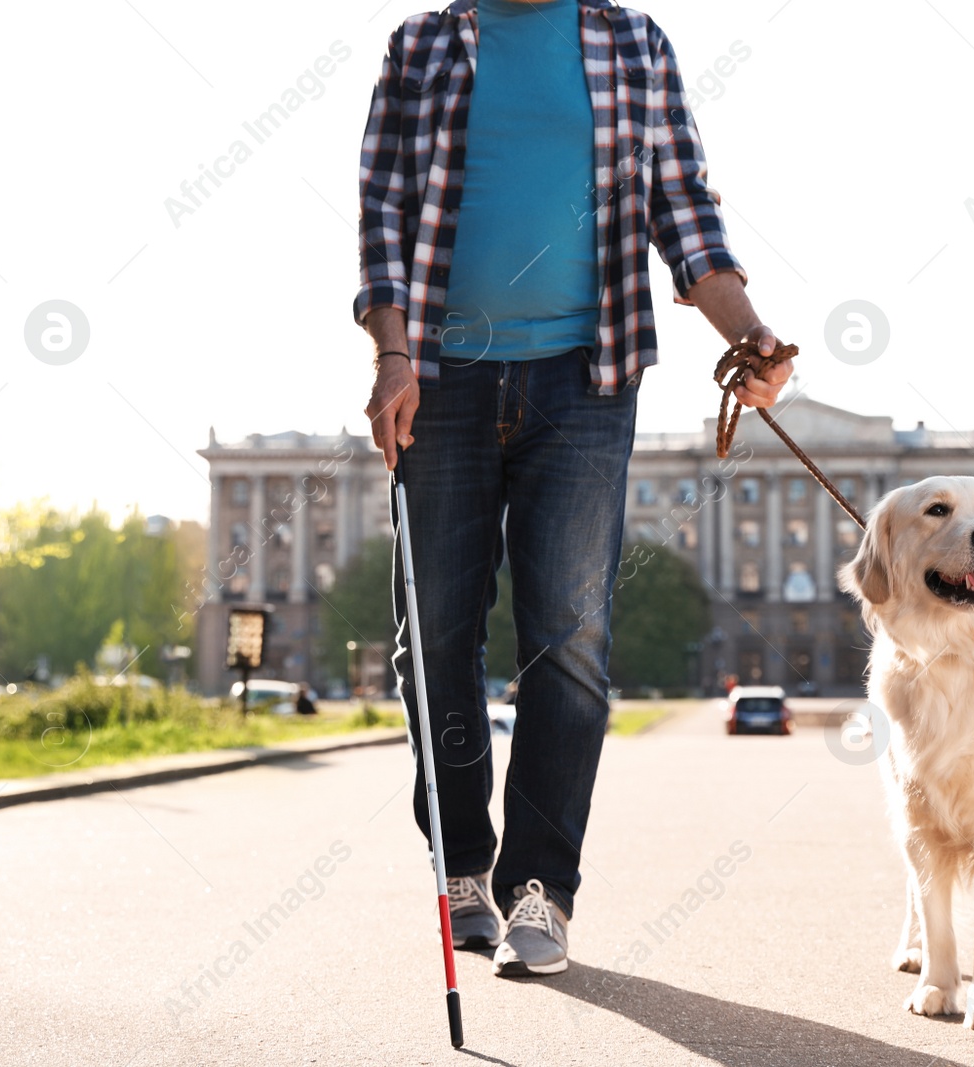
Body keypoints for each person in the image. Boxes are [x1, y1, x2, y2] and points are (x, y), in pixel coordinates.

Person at [356, 0, 791, 977]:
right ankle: (461, 864)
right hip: (439, 373)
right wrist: (390, 355)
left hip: (584, 383)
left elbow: (682, 206)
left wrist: (748, 334)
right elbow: (381, 210)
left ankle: (540, 886)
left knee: (569, 637)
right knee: (434, 633)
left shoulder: (631, 43)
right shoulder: (423, 44)